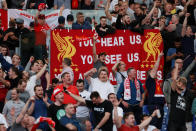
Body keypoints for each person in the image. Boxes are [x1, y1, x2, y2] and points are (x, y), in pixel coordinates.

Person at [168, 64, 195, 131]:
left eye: (178, 83)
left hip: (183, 124)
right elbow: (174, 79)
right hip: (173, 123)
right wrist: (177, 68)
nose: (176, 84)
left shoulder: (189, 94)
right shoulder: (174, 93)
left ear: (183, 85)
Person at [145, 52, 165, 129]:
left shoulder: (157, 83)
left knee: (159, 126)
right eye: (152, 72)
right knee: (153, 126)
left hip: (160, 106)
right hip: (154, 106)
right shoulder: (149, 81)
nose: (155, 72)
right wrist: (159, 58)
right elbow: (154, 69)